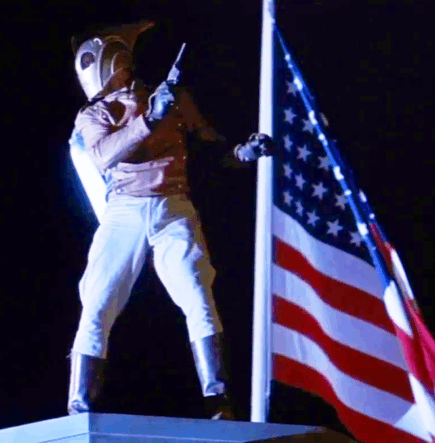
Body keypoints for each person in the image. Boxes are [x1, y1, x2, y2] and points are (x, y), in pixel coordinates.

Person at [67, 20, 267, 420]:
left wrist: (243, 153)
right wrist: (149, 119)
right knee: (97, 303)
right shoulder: (94, 114)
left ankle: (219, 400)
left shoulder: (172, 98)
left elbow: (211, 149)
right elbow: (104, 155)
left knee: (197, 293)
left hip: (173, 204)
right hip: (124, 209)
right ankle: (79, 405)